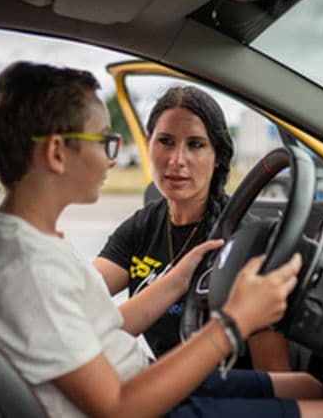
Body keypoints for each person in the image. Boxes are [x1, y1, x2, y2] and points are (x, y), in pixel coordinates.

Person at [0, 61, 323, 418]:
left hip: (138, 377)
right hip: (139, 402)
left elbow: (103, 324)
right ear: (57, 153)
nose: (112, 157)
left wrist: (179, 276)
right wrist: (234, 321)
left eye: (194, 145)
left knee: (309, 387)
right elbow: (118, 407)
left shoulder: (33, 243)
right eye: (105, 141)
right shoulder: (29, 270)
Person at [94, 85, 293, 370]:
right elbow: (81, 298)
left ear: (218, 156)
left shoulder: (248, 245)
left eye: (196, 145)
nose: (177, 160)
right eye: (166, 141)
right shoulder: (141, 227)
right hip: (162, 387)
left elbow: (275, 379)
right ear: (149, 144)